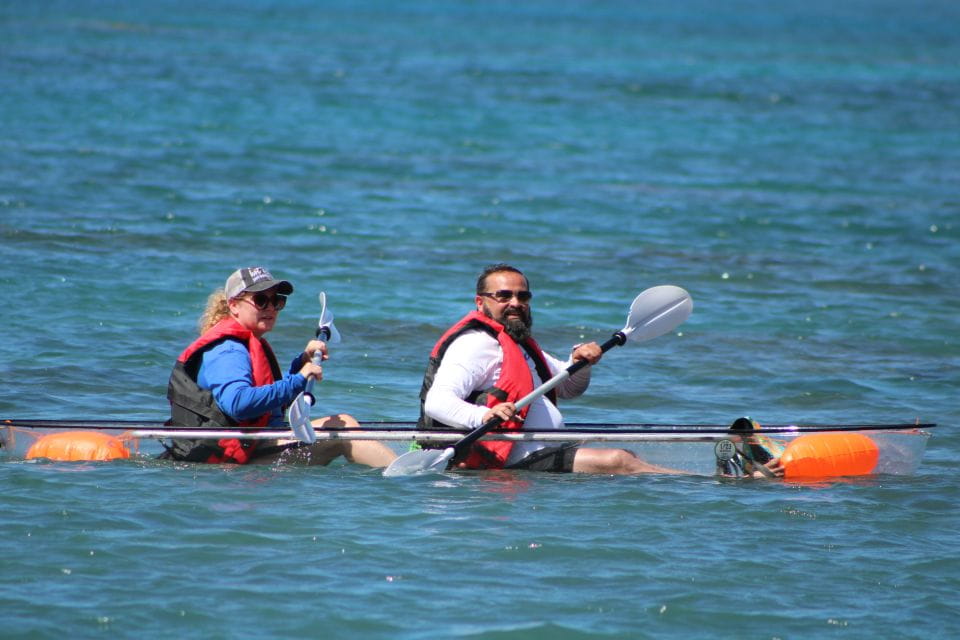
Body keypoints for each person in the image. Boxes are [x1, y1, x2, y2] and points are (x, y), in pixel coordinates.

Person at [419, 263, 784, 477]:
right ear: (481, 303)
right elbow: (438, 403)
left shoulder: (516, 345)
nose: (515, 303)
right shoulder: (475, 345)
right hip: (502, 455)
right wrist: (486, 413)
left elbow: (568, 387)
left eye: (522, 296)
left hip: (536, 449)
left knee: (628, 458)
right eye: (504, 296)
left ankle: (721, 472)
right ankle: (714, 482)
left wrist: (581, 361)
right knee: (618, 460)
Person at [164, 266, 396, 467]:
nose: (271, 308)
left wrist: (300, 366)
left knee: (342, 424)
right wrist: (297, 380)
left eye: (277, 301)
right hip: (232, 460)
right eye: (261, 300)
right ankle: (406, 476)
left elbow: (269, 406)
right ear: (233, 305)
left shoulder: (244, 343)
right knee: (343, 426)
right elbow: (238, 404)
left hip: (251, 447)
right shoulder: (228, 350)